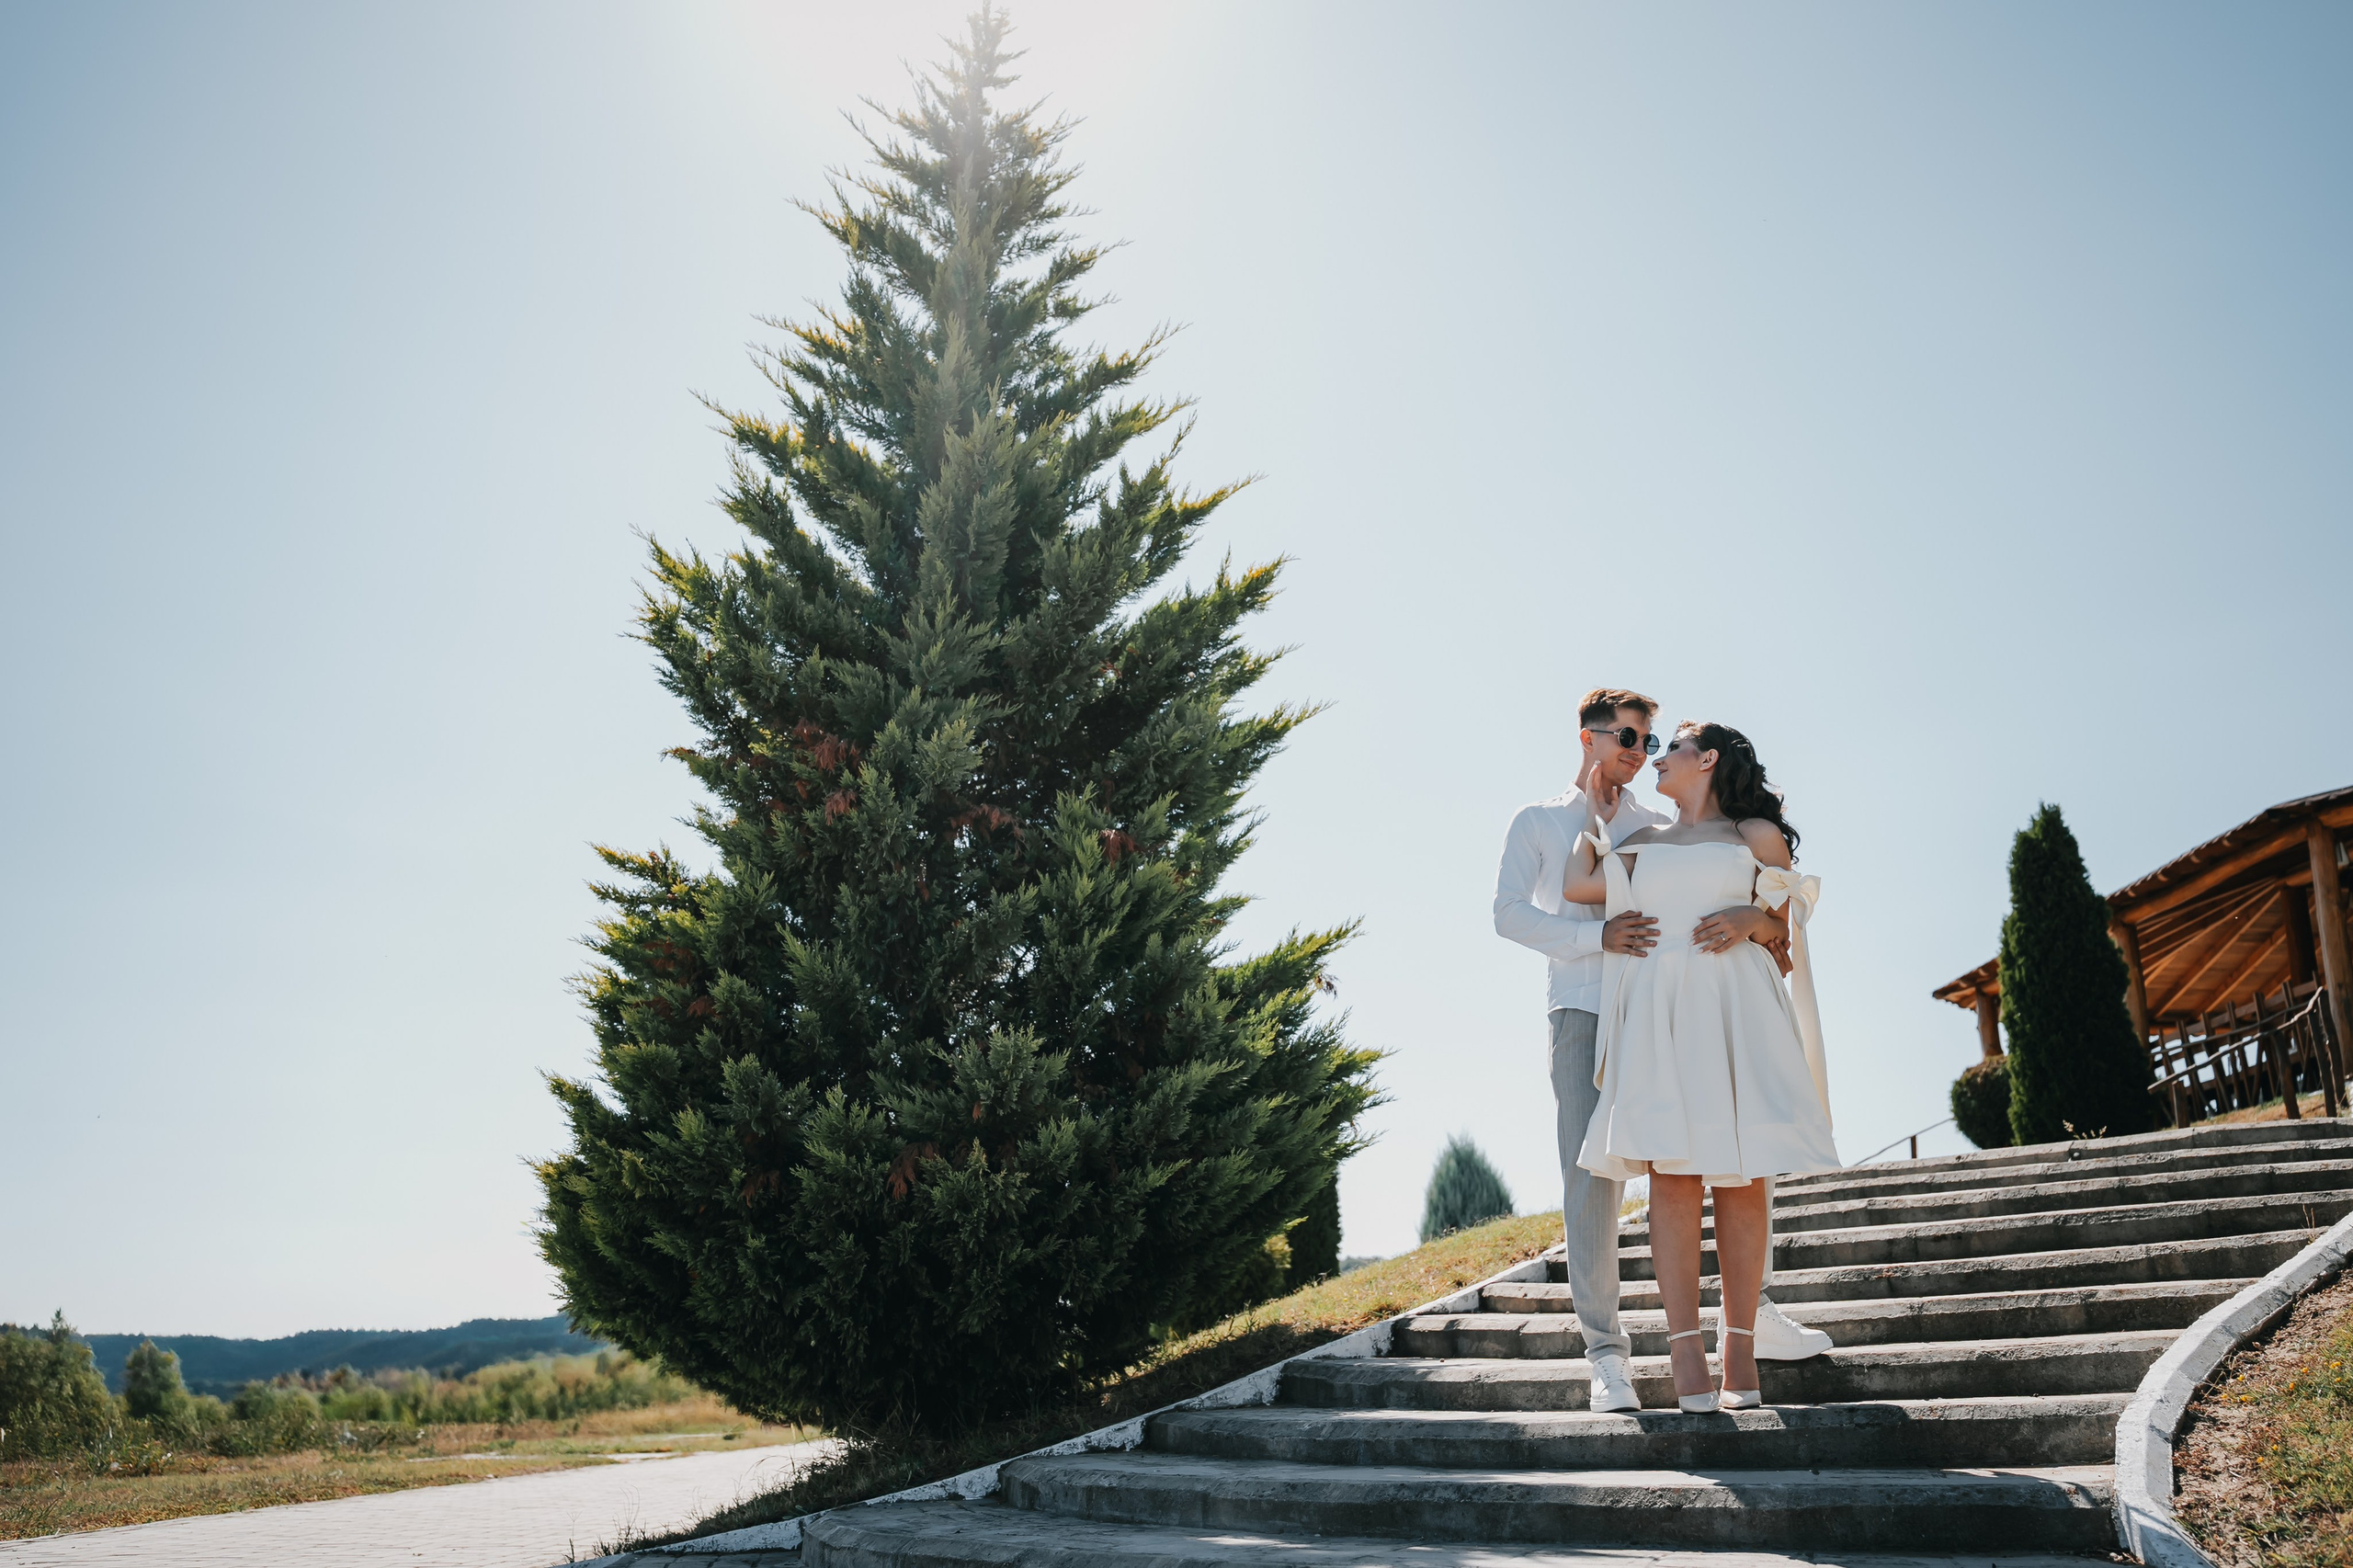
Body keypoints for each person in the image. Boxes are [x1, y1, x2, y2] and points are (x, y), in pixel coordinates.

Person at [1493, 691, 1830, 1415]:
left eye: (1657, 743)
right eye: (1632, 739)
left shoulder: (1721, 829)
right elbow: (1552, 897)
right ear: (1590, 737)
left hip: (1726, 1011)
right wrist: (1595, 818)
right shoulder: (1597, 829)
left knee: (1743, 1171)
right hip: (1627, 1011)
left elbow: (1783, 931)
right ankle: (1632, 1356)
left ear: (1706, 761)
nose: (1645, 755)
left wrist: (1754, 918)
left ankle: (1745, 1340)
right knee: (1644, 1177)